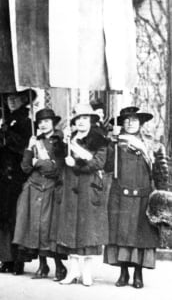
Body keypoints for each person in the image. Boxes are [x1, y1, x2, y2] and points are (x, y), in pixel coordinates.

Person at [104, 106, 169, 289]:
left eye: (134, 119)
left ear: (140, 122)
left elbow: (160, 172)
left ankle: (138, 274)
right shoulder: (116, 143)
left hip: (143, 195)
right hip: (120, 195)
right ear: (122, 124)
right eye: (126, 120)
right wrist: (111, 144)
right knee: (121, 235)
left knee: (141, 236)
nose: (130, 123)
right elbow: (107, 167)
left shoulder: (152, 144)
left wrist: (161, 194)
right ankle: (123, 273)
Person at [55, 104, 109, 286]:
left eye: (85, 118)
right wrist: (64, 144)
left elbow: (98, 162)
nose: (81, 122)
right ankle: (72, 272)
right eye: (78, 119)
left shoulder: (99, 140)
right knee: (70, 230)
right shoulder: (69, 140)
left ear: (91, 121)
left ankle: (86, 273)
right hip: (69, 187)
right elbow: (58, 159)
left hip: (88, 187)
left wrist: (76, 164)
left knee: (87, 231)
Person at [13, 108, 68, 281]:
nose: (43, 125)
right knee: (35, 226)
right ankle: (42, 265)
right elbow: (26, 167)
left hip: (52, 188)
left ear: (53, 122)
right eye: (40, 122)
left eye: (47, 121)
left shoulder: (60, 140)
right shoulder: (35, 140)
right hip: (34, 187)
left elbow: (55, 169)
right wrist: (30, 149)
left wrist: (40, 162)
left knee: (49, 228)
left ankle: (59, 266)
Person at [0, 90, 33, 275]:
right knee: (0, 220)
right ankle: (4, 258)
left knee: (15, 219)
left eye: (15, 98)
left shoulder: (28, 123)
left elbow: (25, 148)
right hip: (1, 175)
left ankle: (18, 261)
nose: (11, 101)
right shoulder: (1, 121)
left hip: (17, 176)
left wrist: (10, 136)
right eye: (8, 99)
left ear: (23, 100)